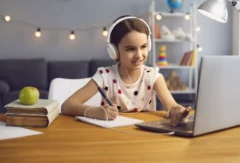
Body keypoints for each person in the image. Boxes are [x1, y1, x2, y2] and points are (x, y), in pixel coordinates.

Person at [61, 15, 191, 126]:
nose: (139, 55)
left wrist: (178, 111)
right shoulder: (104, 76)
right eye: (130, 49)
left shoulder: (153, 76)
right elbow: (67, 105)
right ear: (114, 51)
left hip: (144, 135)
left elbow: (172, 106)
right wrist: (95, 111)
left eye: (144, 47)